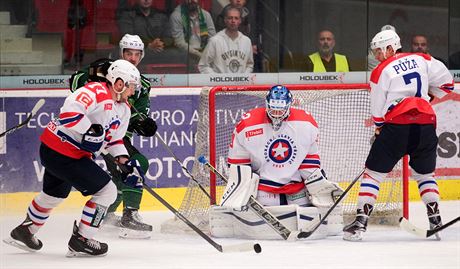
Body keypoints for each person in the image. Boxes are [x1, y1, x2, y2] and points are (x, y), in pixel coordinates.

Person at [3, 60, 143, 256]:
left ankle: (25, 231)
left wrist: (124, 161)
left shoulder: (124, 109)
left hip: (63, 153)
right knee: (107, 192)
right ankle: (82, 239)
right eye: (131, 86)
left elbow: (114, 140)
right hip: (62, 150)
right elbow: (69, 112)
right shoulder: (95, 91)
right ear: (119, 83)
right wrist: (89, 129)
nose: (133, 91)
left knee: (54, 194)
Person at [343, 30, 455, 241]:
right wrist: (426, 97)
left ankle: (359, 224)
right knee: (425, 175)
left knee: (374, 174)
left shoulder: (380, 70)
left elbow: (377, 110)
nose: (376, 56)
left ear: (391, 47)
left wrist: (379, 128)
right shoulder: (422, 58)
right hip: (426, 123)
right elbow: (447, 84)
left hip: (397, 125)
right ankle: (436, 220)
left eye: (379, 51)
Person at [211, 85, 344, 239]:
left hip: (296, 189)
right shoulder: (248, 125)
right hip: (264, 189)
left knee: (309, 219)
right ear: (266, 104)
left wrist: (318, 183)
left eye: (280, 110)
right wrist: (244, 187)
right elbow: (238, 163)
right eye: (273, 109)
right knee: (263, 229)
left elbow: (309, 161)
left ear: (289, 105)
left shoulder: (306, 124)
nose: (276, 114)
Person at [69, 34, 157, 239]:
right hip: (92, 131)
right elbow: (74, 83)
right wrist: (92, 74)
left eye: (137, 54)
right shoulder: (106, 71)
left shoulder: (141, 84)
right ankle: (129, 215)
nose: (133, 58)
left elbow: (137, 114)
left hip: (116, 137)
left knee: (121, 175)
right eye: (128, 53)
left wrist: (143, 123)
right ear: (121, 53)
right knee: (137, 163)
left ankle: (106, 216)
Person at [117, 0, 180, 65]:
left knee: (182, 55)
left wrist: (161, 43)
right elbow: (127, 36)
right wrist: (148, 45)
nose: (146, 0)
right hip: (137, 53)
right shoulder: (127, 15)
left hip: (161, 52)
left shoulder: (161, 16)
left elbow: (169, 36)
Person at [198, 7, 253, 73]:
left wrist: (243, 77)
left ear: (240, 21)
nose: (233, 21)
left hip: (240, 83)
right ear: (225, 20)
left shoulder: (247, 41)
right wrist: (217, 79)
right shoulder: (215, 40)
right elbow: (203, 66)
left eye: (236, 18)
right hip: (221, 82)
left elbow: (249, 64)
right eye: (230, 18)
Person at [169, 0, 216, 72]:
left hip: (205, 53)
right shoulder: (176, 16)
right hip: (185, 55)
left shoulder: (206, 15)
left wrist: (206, 54)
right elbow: (179, 43)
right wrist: (199, 55)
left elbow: (213, 39)